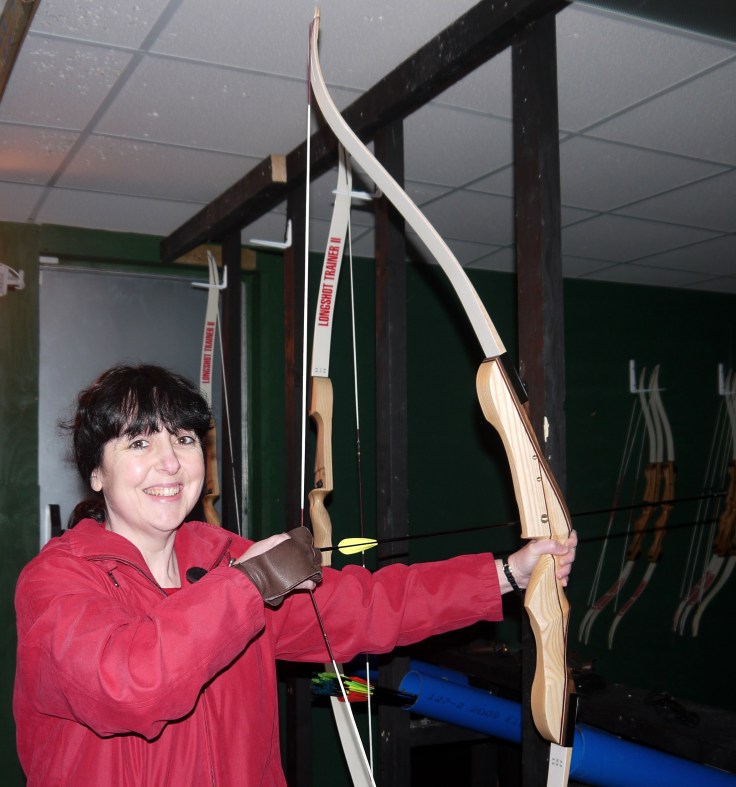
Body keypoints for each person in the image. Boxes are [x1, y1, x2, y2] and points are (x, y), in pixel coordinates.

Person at [14, 363, 577, 786]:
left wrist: (508, 573)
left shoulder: (223, 559)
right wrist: (248, 583)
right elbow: (130, 687)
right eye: (140, 442)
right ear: (96, 472)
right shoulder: (57, 581)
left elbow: (367, 607)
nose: (170, 462)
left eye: (184, 439)